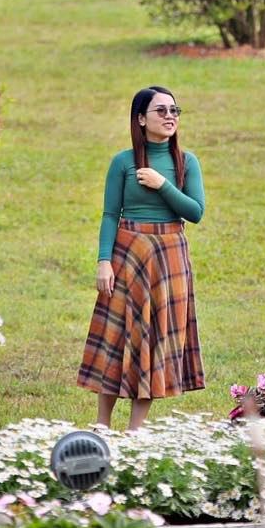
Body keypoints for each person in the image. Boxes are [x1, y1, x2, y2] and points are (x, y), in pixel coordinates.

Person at [77, 86, 206, 430]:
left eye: (174, 111)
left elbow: (195, 212)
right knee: (117, 335)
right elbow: (109, 214)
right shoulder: (122, 162)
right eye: (161, 111)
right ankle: (102, 425)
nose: (169, 117)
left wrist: (163, 184)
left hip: (169, 255)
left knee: (155, 336)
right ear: (140, 118)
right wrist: (104, 260)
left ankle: (135, 432)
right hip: (128, 251)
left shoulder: (186, 162)